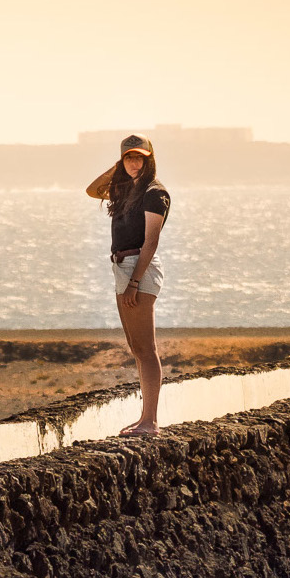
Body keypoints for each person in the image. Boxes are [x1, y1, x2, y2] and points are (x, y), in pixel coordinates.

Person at [86, 134, 171, 436]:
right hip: (122, 267)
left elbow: (152, 240)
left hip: (139, 269)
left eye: (140, 158)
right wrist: (118, 168)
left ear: (150, 159)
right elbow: (92, 190)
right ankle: (144, 418)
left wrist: (135, 281)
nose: (135, 163)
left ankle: (150, 421)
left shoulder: (154, 193)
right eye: (129, 158)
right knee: (136, 347)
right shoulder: (127, 190)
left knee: (146, 348)